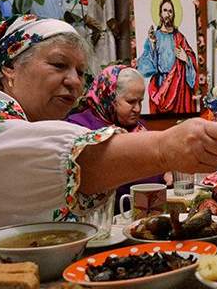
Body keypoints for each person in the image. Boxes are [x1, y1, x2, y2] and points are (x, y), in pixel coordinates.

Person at [0, 15, 217, 285]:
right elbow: (25, 165)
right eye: (58, 65)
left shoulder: (41, 123)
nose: (74, 81)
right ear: (9, 68)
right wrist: (165, 147)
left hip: (22, 287)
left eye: (80, 72)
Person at [67, 65, 171, 211]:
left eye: (140, 101)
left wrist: (166, 171)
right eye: (131, 102)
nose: (137, 109)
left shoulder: (140, 127)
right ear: (108, 96)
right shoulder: (79, 127)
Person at [137, 0, 198, 114]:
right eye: (165, 10)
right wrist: (153, 44)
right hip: (160, 86)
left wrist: (186, 59)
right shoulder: (155, 36)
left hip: (178, 89)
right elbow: (145, 67)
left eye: (170, 11)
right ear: (160, 13)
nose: (168, 14)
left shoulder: (179, 37)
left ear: (174, 14)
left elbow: (191, 58)